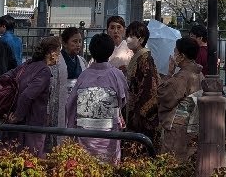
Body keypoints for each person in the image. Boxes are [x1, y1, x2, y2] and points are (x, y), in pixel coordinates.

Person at [65, 33, 129, 164]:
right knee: (108, 166)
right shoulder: (116, 74)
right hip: (109, 133)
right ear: (110, 51)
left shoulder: (84, 75)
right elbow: (123, 99)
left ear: (92, 52)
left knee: (86, 166)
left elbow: (70, 105)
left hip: (85, 133)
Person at [5, 35, 61, 156]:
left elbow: (7, 76)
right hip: (32, 123)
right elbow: (28, 95)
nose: (59, 55)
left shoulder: (27, 64)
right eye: (58, 52)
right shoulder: (44, 71)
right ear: (52, 53)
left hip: (16, 122)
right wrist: (17, 116)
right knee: (32, 158)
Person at [156, 35, 204, 160]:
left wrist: (169, 73)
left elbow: (164, 96)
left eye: (175, 51)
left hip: (177, 127)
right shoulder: (200, 74)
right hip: (194, 125)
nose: (173, 54)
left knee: (172, 162)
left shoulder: (181, 77)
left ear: (182, 56)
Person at [47, 27, 86, 150]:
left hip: (77, 103)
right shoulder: (57, 60)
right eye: (74, 41)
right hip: (60, 101)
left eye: (80, 41)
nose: (78, 45)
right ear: (64, 43)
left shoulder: (81, 60)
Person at [123, 20, 159, 137]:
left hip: (140, 113)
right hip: (133, 107)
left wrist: (139, 112)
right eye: (127, 36)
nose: (128, 39)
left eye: (132, 36)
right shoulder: (138, 57)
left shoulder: (144, 59)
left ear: (141, 39)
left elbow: (148, 86)